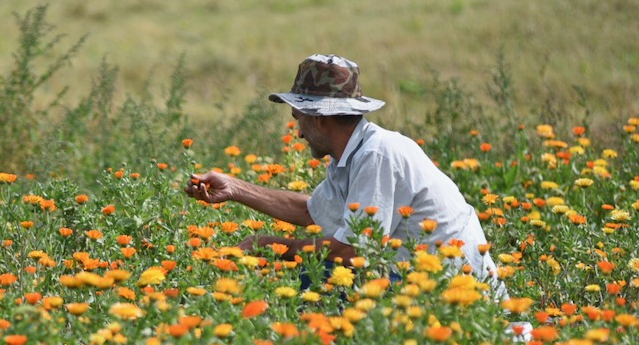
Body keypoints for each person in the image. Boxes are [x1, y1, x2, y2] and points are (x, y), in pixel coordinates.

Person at [185, 54, 504, 295]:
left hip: (458, 295)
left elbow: (355, 251)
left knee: (321, 275)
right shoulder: (351, 155)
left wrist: (271, 246)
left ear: (320, 119)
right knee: (319, 273)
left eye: (298, 119)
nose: (298, 133)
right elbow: (310, 210)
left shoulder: (376, 154)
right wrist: (235, 189)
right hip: (424, 285)